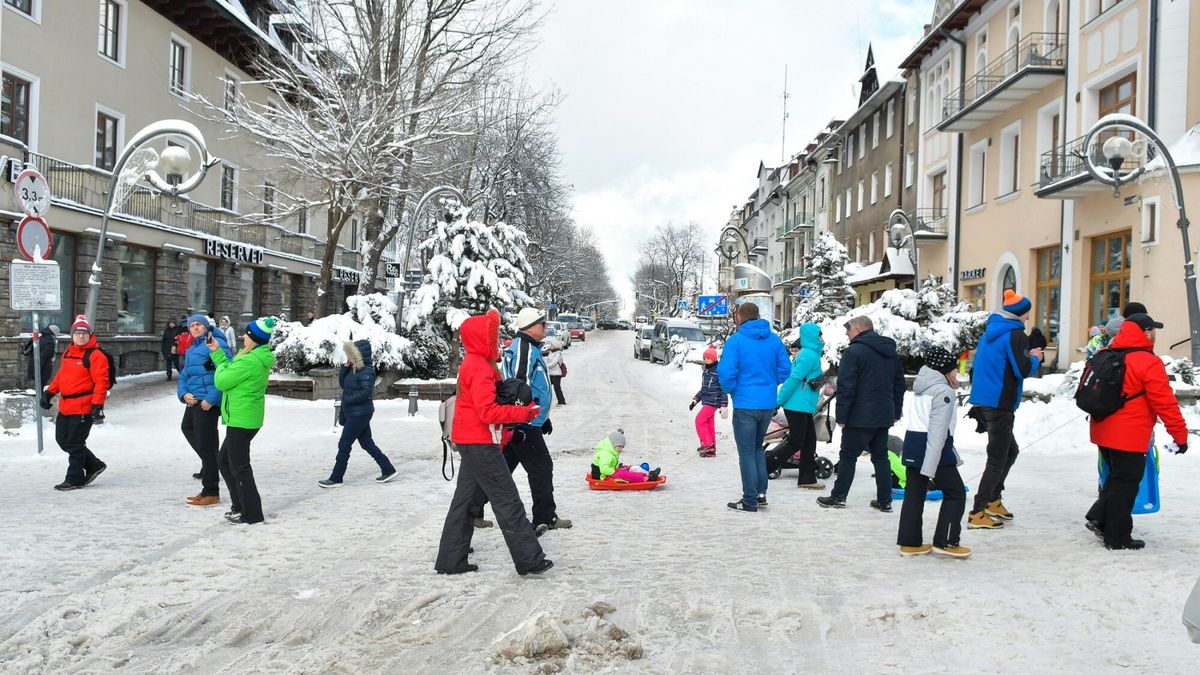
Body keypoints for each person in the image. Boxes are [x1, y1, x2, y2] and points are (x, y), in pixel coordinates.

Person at [434, 309, 552, 576]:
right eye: (492, 335)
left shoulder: (476, 363)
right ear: (481, 338)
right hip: (480, 443)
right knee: (507, 500)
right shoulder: (479, 366)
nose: (496, 340)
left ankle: (451, 560)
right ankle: (529, 560)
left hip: (472, 440)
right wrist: (523, 413)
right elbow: (487, 412)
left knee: (464, 502)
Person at [1085, 313, 1188, 550]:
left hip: (1102, 429)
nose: (1155, 334)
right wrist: (1180, 436)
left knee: (1117, 478)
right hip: (1128, 434)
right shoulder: (1147, 361)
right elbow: (1165, 403)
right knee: (1126, 484)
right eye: (1153, 330)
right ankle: (1117, 538)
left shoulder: (1107, 353)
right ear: (1146, 333)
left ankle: (1099, 519)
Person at [966, 290, 1044, 529]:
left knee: (1010, 451)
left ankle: (993, 499)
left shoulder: (990, 332)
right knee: (997, 458)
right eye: (1027, 312)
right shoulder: (1015, 334)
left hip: (983, 400)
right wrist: (1035, 358)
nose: (1028, 317)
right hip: (999, 403)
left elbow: (976, 367)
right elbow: (1023, 370)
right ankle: (978, 512)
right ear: (1019, 313)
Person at [817, 315, 905, 511]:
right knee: (881, 457)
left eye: (848, 330)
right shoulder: (890, 352)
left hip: (859, 416)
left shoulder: (853, 352)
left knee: (848, 456)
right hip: (883, 414)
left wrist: (842, 416)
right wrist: (895, 411)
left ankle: (838, 497)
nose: (846, 334)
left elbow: (847, 386)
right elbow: (899, 385)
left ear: (857, 329)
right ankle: (885, 500)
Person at [501, 307, 571, 533]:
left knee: (500, 470)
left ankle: (472, 509)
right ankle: (545, 517)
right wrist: (519, 423)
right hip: (524, 423)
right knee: (542, 467)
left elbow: (533, 388)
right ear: (530, 327)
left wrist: (542, 418)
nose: (546, 327)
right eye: (542, 324)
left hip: (528, 421)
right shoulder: (524, 349)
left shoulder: (530, 348)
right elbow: (516, 389)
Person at [716, 302, 791, 512]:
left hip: (745, 404)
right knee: (757, 447)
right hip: (767, 404)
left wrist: (733, 390)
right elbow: (786, 369)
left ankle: (749, 499)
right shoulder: (774, 340)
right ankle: (760, 493)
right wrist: (770, 382)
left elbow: (726, 372)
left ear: (739, 318)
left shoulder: (736, 341)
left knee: (747, 452)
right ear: (758, 316)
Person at [896, 347, 970, 558]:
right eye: (954, 369)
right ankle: (946, 541)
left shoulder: (921, 388)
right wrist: (930, 468)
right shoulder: (943, 392)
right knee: (956, 492)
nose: (957, 373)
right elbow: (937, 432)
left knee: (914, 494)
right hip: (934, 451)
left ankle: (910, 543)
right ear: (945, 370)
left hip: (913, 446)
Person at [209, 316, 276, 524]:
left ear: (253, 338)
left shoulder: (249, 360)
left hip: (242, 419)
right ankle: (240, 506)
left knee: (239, 467)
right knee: (225, 461)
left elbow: (222, 381)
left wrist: (220, 367)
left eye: (246, 335)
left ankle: (252, 514)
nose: (243, 338)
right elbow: (231, 371)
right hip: (244, 417)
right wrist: (217, 353)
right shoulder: (254, 356)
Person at [41, 315, 110, 491]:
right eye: (77, 333)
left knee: (75, 443)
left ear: (90, 335)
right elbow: (61, 376)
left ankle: (74, 478)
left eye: (84, 334)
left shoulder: (96, 355)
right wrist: (49, 392)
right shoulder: (68, 353)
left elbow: (102, 382)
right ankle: (94, 465)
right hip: (66, 406)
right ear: (72, 335)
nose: (80, 336)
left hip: (83, 407)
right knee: (63, 440)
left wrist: (97, 405)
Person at [319, 339, 397, 487]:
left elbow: (366, 392)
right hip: (356, 412)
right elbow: (343, 384)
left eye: (351, 354)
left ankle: (336, 478)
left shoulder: (367, 371)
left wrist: (348, 400)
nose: (348, 357)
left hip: (360, 413)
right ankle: (388, 469)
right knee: (367, 443)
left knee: (344, 444)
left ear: (359, 355)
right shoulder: (353, 369)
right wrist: (345, 367)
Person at [178, 314, 233, 506]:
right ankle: (213, 462)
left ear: (206, 327)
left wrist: (212, 398)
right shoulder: (192, 348)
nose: (195, 328)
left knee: (207, 445)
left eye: (198, 325)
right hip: (193, 399)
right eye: (191, 325)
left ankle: (211, 491)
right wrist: (183, 393)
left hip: (207, 402)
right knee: (188, 429)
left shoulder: (216, 344)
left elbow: (226, 372)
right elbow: (184, 375)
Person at [773, 323, 825, 489]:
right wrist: (778, 401)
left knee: (808, 442)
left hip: (802, 404)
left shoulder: (811, 353)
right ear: (811, 337)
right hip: (796, 404)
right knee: (797, 440)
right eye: (819, 335)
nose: (821, 338)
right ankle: (766, 465)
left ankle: (807, 478)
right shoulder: (809, 355)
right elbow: (794, 379)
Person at [691, 346, 728, 457]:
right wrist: (695, 399)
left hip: (713, 402)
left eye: (708, 358)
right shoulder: (706, 371)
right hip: (707, 401)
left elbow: (723, 389)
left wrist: (724, 405)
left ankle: (707, 445)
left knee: (699, 420)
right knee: (709, 424)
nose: (706, 360)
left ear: (714, 359)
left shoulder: (718, 372)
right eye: (704, 358)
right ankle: (711, 450)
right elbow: (704, 388)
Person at [590, 429, 661, 483]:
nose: (621, 449)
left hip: (608, 473)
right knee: (623, 474)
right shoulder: (606, 454)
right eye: (619, 446)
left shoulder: (611, 452)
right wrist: (615, 471)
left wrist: (619, 468)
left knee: (627, 468)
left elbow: (611, 465)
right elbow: (604, 469)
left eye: (622, 447)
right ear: (613, 444)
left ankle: (647, 474)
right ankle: (647, 478)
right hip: (603, 477)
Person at [22, 324, 57, 388]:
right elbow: (43, 357)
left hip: (33, 366)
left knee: (36, 388)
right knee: (40, 388)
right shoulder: (49, 342)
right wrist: (37, 371)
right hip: (42, 369)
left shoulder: (40, 338)